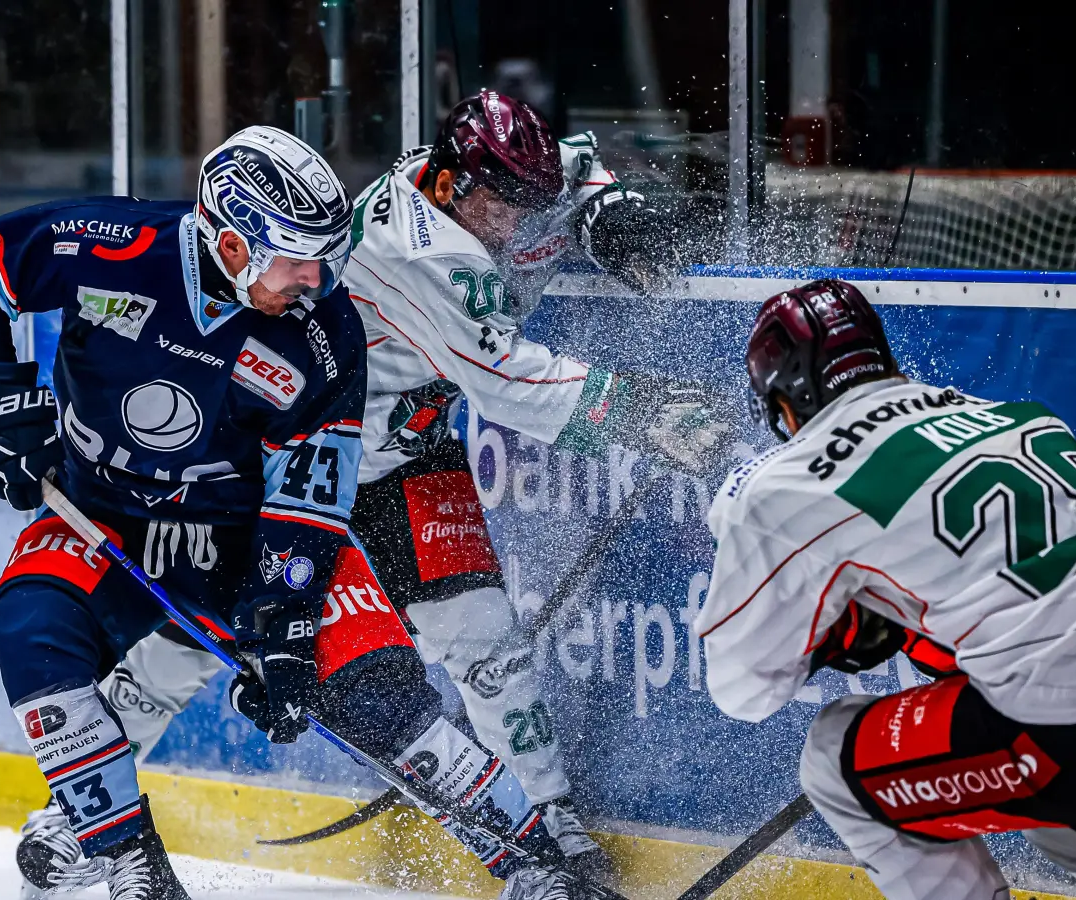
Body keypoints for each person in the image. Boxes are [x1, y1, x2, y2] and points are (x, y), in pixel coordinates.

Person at [81, 88, 726, 885]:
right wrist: (645, 412)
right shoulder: (416, 250)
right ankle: (77, 813)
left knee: (487, 640)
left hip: (409, 452)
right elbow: (508, 385)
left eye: (529, 206)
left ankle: (553, 829)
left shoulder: (493, 175)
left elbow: (575, 170)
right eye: (502, 208)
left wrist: (608, 214)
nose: (517, 226)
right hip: (305, 462)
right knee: (206, 639)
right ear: (451, 186)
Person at [0, 126, 575, 900]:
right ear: (231, 242)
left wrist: (287, 621)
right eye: (296, 256)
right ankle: (128, 861)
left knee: (380, 696)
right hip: (103, 514)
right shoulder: (115, 245)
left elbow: (310, 495)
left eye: (326, 253)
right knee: (29, 631)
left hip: (243, 534)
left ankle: (537, 863)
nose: (317, 276)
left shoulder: (326, 334)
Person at [697, 279, 1076, 900]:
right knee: (1051, 787)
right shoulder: (1001, 411)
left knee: (832, 759)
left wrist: (832, 638)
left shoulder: (788, 482)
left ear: (788, 401)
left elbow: (742, 689)